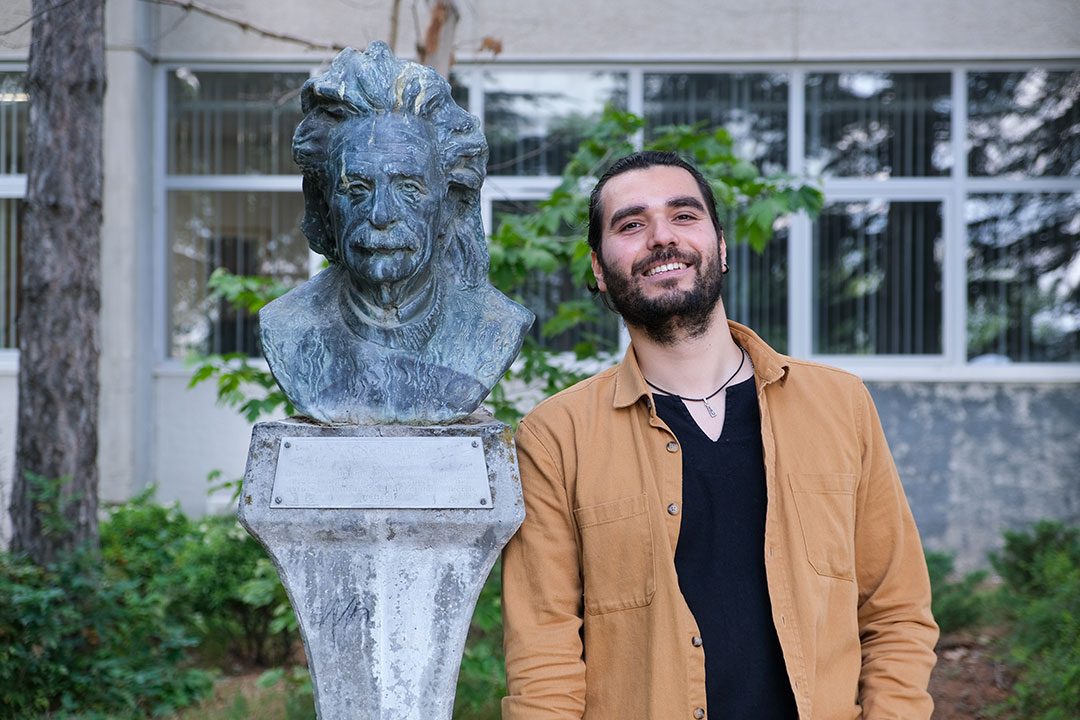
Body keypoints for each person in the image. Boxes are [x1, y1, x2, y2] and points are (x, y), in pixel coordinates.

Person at [501, 150, 938, 719]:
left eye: (684, 216)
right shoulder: (556, 438)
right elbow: (544, 660)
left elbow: (896, 611)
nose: (662, 237)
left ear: (721, 246)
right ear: (599, 270)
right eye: (631, 224)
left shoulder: (840, 404)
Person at [260, 42, 532, 425]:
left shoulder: (494, 324)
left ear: (449, 202)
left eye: (408, 188)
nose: (380, 214)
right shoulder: (287, 326)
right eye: (356, 188)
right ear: (324, 204)